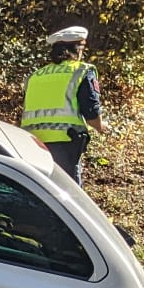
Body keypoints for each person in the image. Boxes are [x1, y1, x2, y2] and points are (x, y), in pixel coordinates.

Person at [19, 25, 108, 183]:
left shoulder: (35, 76)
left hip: (32, 144)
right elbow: (91, 111)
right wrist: (101, 127)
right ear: (77, 49)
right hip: (65, 143)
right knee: (68, 195)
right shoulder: (81, 71)